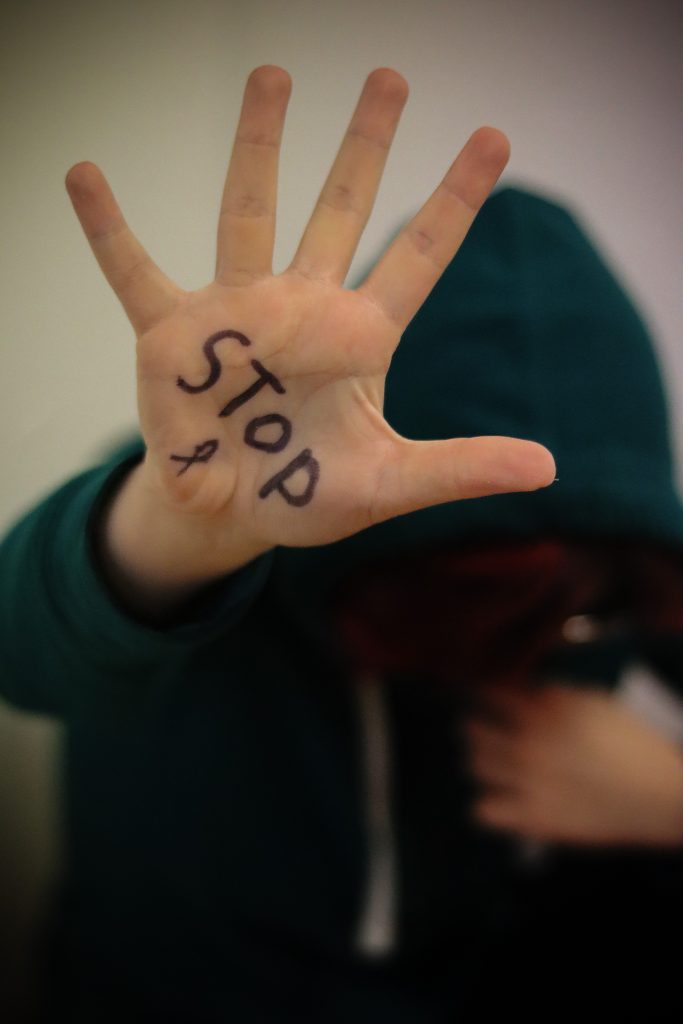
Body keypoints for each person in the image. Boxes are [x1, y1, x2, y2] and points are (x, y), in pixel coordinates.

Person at [1, 65, 682, 1020]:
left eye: (591, 612)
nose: (566, 643)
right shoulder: (233, 512)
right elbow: (26, 643)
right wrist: (174, 532)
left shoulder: (621, 582)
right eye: (512, 611)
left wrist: (668, 805)